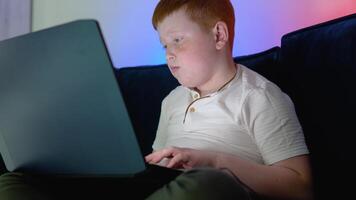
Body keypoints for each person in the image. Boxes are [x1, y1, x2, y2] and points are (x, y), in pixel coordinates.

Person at [0, 0, 313, 199]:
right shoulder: (171, 101)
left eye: (177, 40)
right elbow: (157, 174)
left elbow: (300, 187)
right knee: (15, 181)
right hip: (160, 189)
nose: (169, 54)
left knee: (207, 184)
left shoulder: (259, 97)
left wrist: (215, 161)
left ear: (218, 35)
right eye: (164, 45)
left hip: (211, 190)